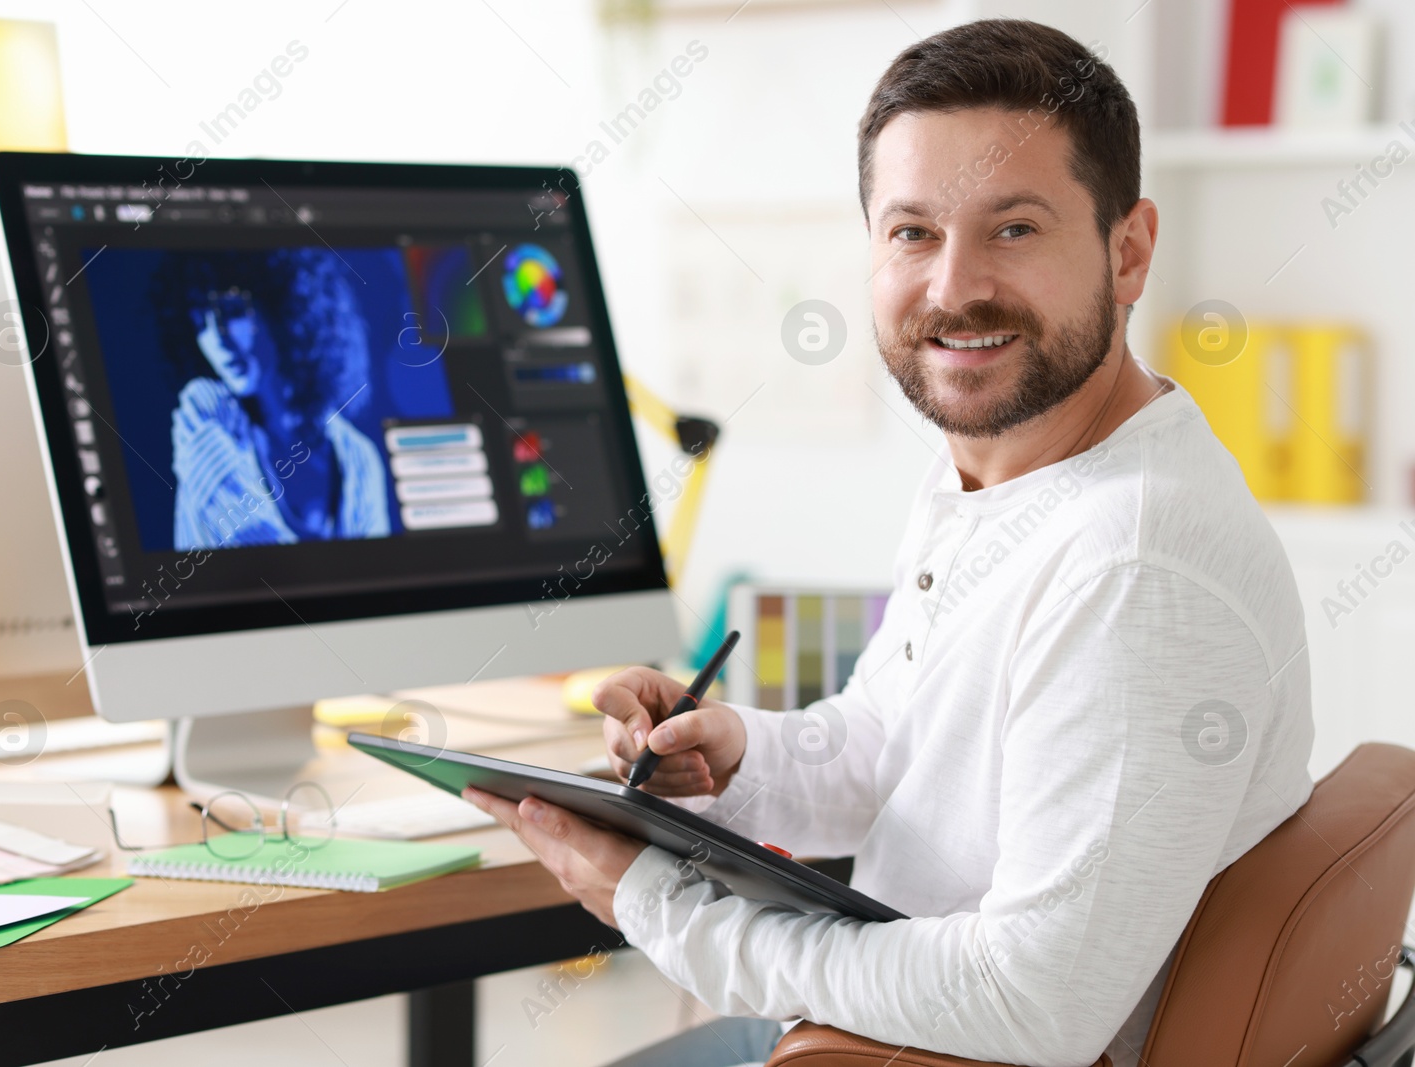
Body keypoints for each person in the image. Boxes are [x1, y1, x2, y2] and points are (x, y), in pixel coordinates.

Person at [464, 18, 1314, 1067]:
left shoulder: (1132, 564)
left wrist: (656, 905)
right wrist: (734, 753)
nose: (953, 288)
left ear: (1127, 249)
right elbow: (895, 740)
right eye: (912, 232)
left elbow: (1028, 1000)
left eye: (1012, 229)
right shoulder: (997, 466)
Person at [171, 250, 390, 550]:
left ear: (284, 309)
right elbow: (252, 549)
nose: (216, 340)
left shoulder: (358, 457)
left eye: (232, 312)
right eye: (200, 322)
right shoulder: (206, 410)